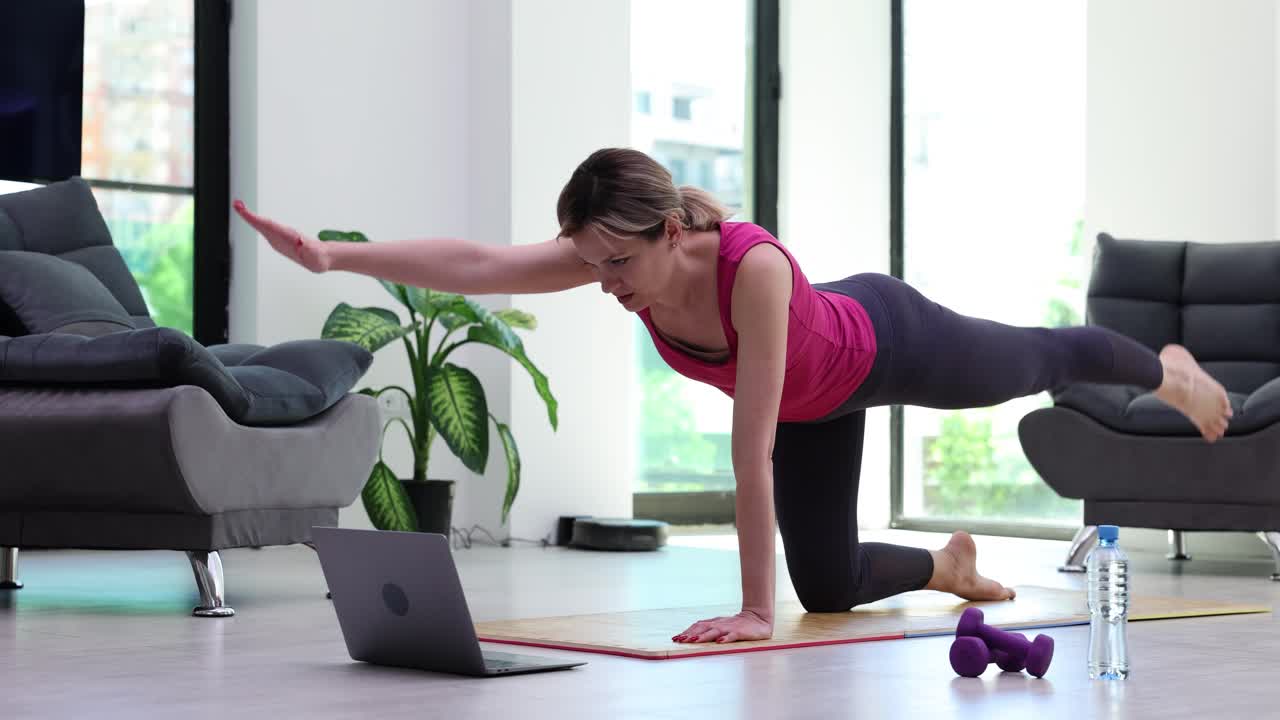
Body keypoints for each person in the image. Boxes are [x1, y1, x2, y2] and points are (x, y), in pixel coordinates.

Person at [234, 147, 1233, 646]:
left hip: (882, 340)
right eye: (591, 264)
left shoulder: (748, 270)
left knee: (1037, 356)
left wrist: (754, 611)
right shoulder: (613, 255)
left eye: (616, 264)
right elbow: (488, 261)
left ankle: (1168, 371)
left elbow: (747, 451)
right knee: (831, 586)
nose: (605, 285)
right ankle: (946, 563)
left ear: (672, 232)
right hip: (815, 401)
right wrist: (332, 255)